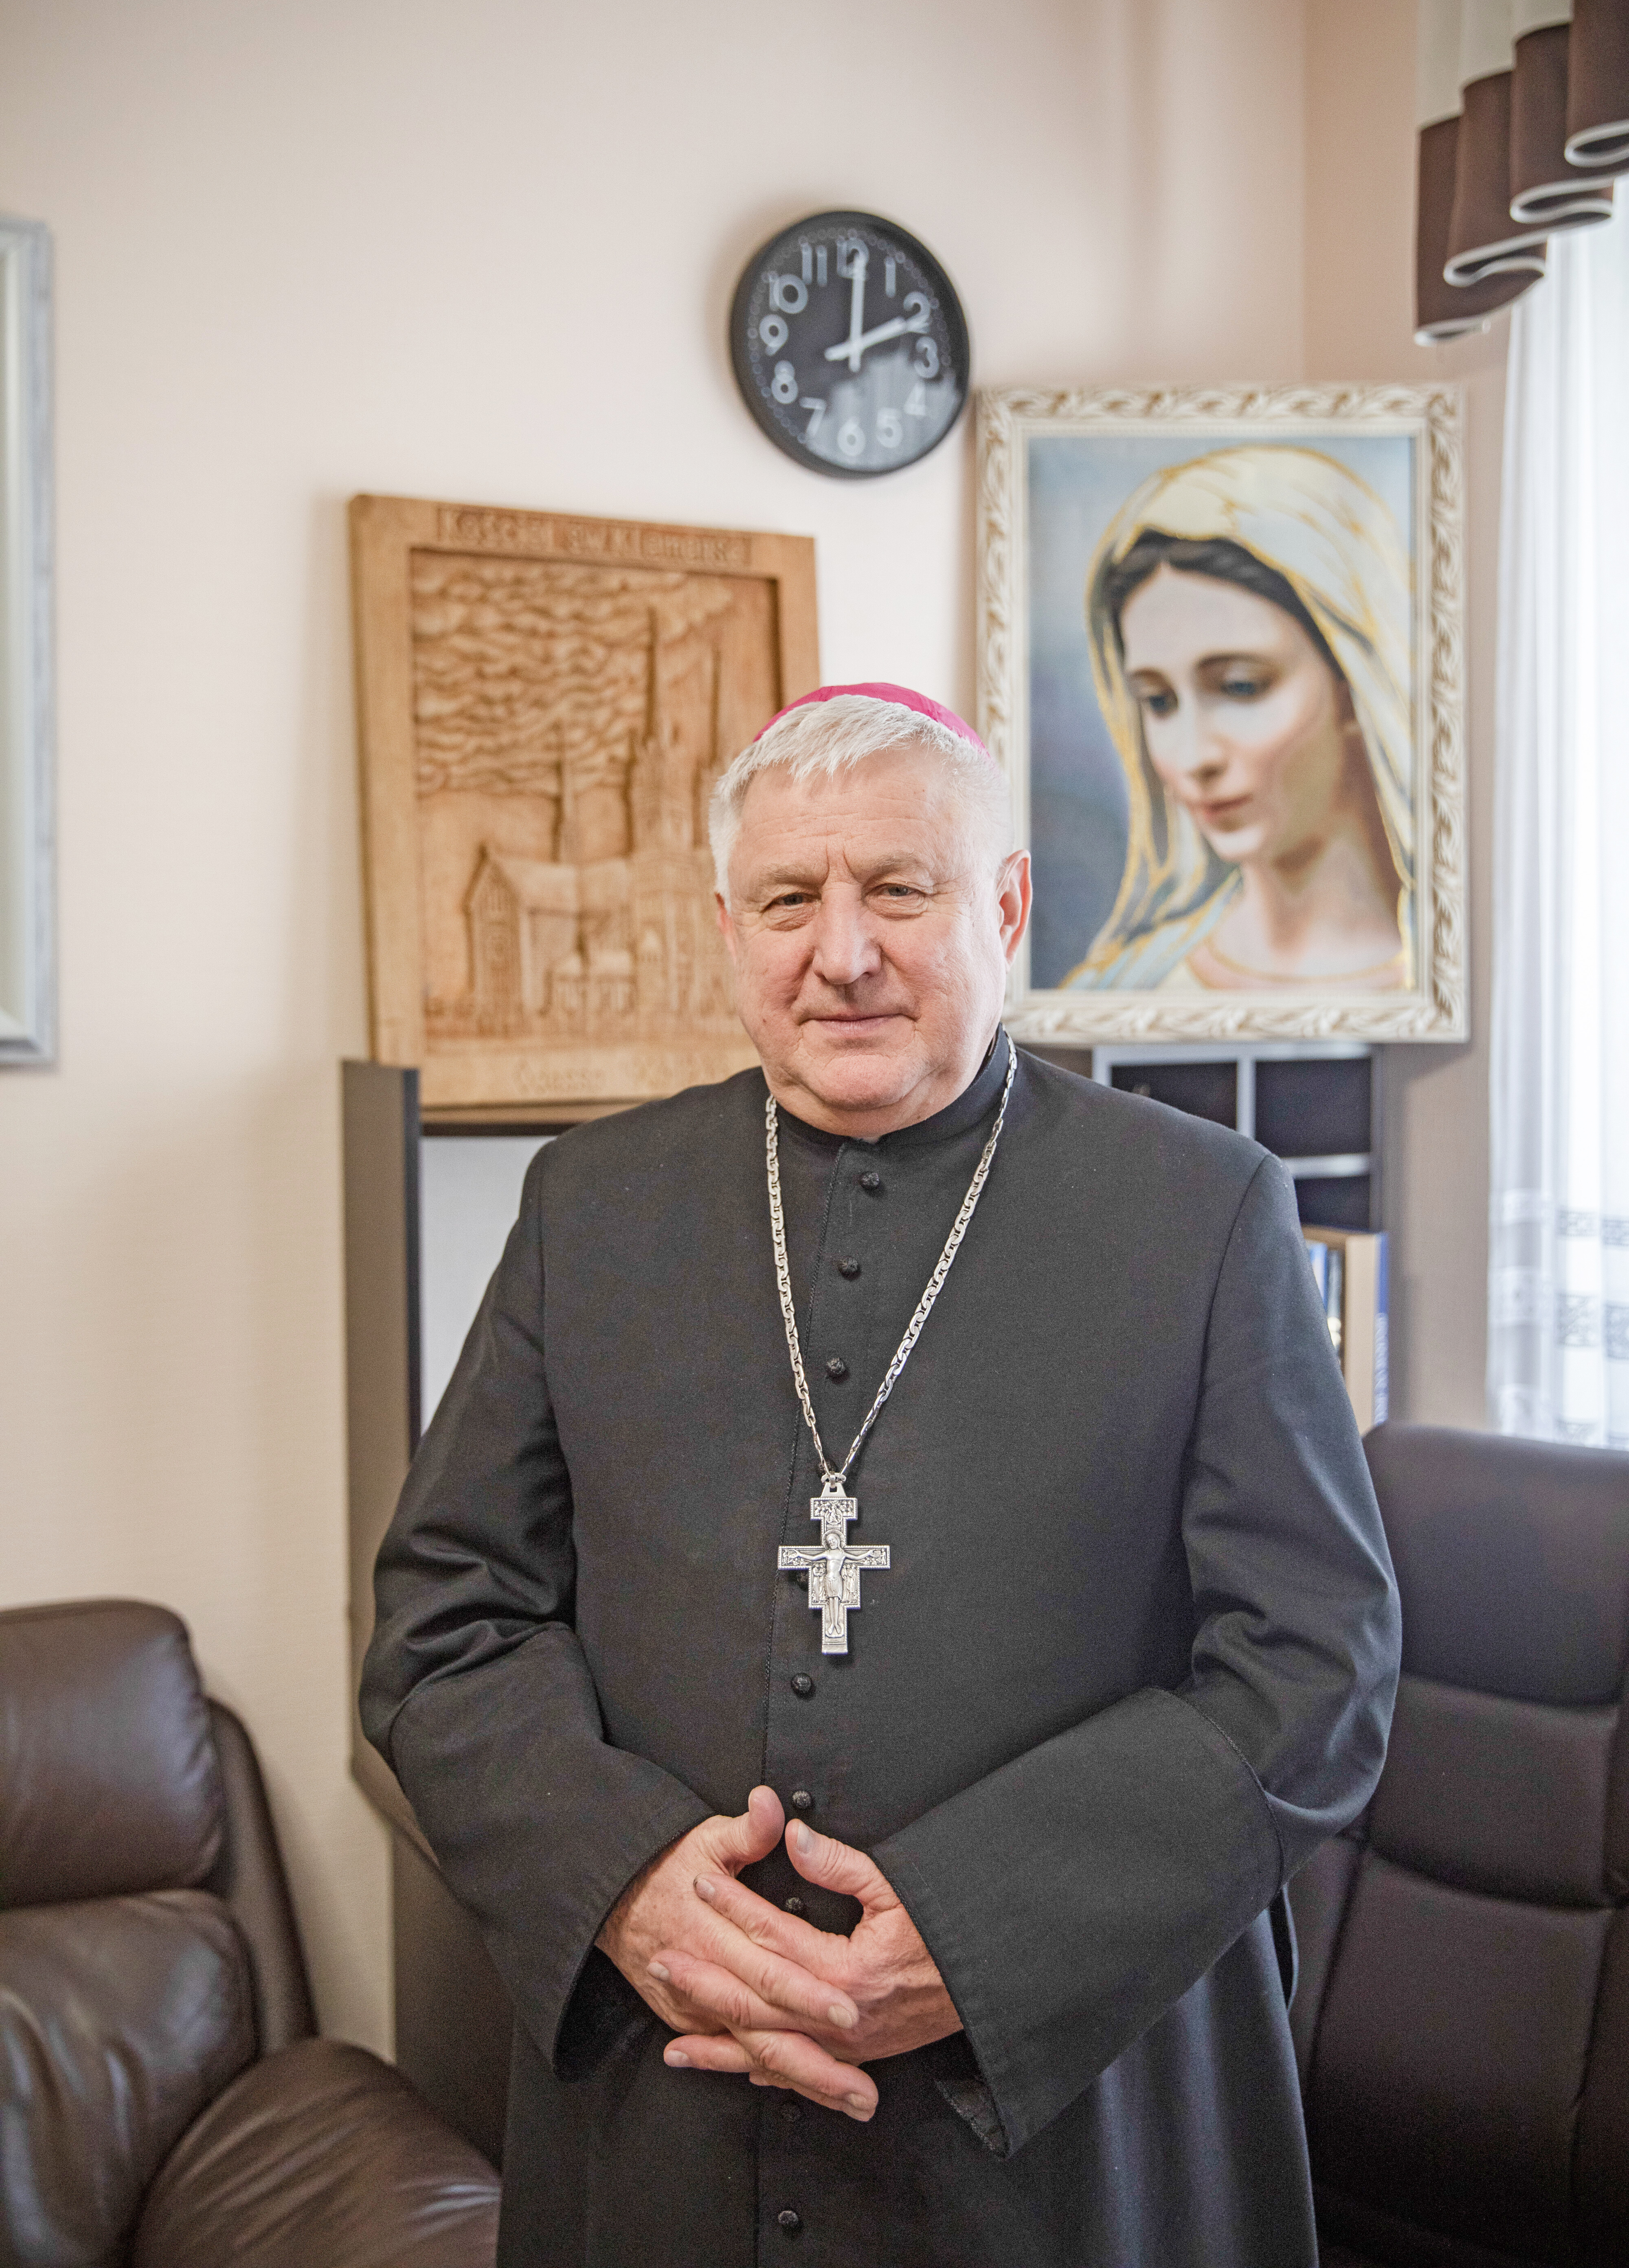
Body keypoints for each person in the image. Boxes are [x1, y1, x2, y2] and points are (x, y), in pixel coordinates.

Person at [361, 681, 1400, 2268]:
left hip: (1062, 2131)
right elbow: (445, 1626)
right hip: (671, 2092)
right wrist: (625, 1882)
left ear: (1003, 907)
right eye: (789, 898)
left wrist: (984, 1938)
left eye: (896, 891)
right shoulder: (591, 1210)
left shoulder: (1200, 1215)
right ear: (727, 928)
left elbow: (1316, 1665)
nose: (839, 953)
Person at [1067, 445, 1414, 994]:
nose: (1193, 758)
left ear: (1353, 685)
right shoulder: (1123, 986)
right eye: (1158, 702)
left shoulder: (1455, 978)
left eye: (1241, 688)